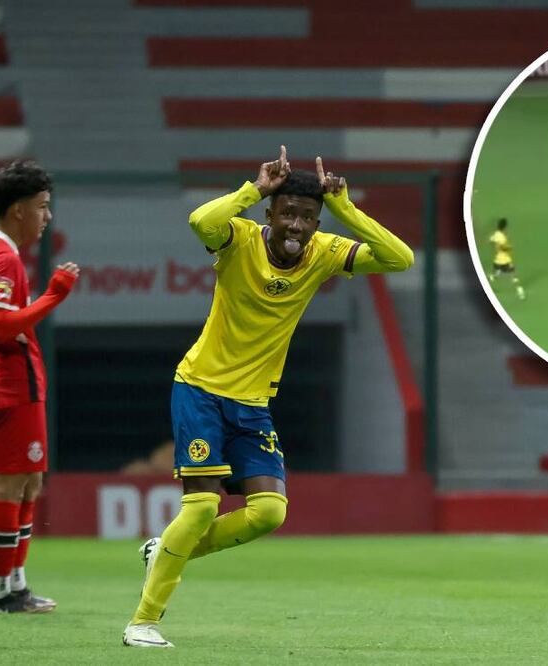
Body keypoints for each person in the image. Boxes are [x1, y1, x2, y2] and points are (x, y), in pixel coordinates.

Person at [122, 146, 414, 648]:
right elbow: (199, 220)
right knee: (199, 510)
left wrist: (343, 207)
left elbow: (399, 258)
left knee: (270, 513)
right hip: (201, 388)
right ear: (270, 215)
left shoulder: (323, 252)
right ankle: (143, 622)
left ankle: (167, 549)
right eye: (288, 214)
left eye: (308, 217)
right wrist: (252, 188)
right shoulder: (237, 238)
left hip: (252, 402)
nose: (297, 225)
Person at [0, 159, 80, 614]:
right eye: (43, 206)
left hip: (2, 381)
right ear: (18, 209)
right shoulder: (3, 255)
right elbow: (1, 323)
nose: (47, 217)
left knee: (28, 485)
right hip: (10, 383)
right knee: (11, 487)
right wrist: (54, 293)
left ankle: (15, 586)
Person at [488, 218, 525, 300]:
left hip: (497, 260)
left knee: (497, 274)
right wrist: (509, 247)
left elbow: (491, 240)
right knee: (513, 276)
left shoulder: (496, 234)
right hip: (505, 260)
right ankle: (520, 292)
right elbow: (502, 246)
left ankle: (487, 283)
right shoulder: (502, 237)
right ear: (504, 227)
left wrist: (495, 247)